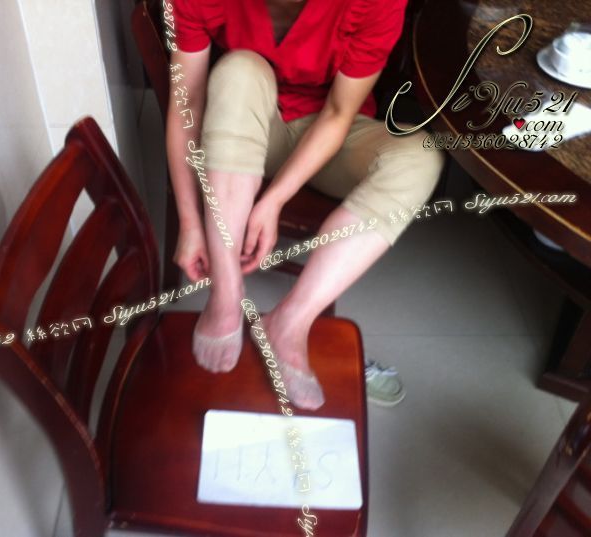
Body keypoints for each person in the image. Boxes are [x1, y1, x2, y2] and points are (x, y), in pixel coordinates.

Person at [165, 0, 443, 410]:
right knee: (240, 69)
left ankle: (290, 322)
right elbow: (186, 101)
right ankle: (225, 297)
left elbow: (339, 113)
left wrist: (275, 198)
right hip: (246, 124)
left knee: (421, 156)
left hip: (330, 131)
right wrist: (189, 222)